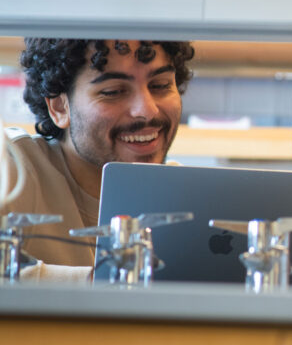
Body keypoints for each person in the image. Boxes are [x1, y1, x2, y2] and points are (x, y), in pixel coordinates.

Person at [0, 38, 195, 269]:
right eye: (113, 91)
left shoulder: (190, 199)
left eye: (160, 85)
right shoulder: (12, 171)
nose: (147, 110)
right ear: (60, 107)